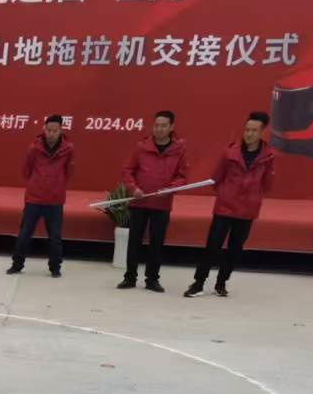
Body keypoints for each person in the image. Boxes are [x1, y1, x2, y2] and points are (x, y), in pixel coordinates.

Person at [186, 111, 276, 298]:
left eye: (254, 130)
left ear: (262, 132)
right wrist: (227, 192)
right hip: (225, 208)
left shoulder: (268, 156)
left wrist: (253, 195)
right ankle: (198, 283)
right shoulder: (230, 152)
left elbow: (267, 184)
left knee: (235, 250)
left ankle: (221, 283)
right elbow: (217, 177)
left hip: (247, 210)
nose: (249, 133)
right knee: (212, 247)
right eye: (247, 129)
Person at [118, 110, 190, 292]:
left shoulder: (179, 150)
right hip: (139, 202)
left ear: (171, 127)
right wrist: (133, 188)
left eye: (163, 126)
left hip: (162, 203)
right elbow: (127, 170)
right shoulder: (141, 147)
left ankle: (152, 280)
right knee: (134, 242)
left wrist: (170, 189)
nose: (159, 129)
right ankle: (130, 277)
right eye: (156, 125)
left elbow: (182, 176)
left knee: (156, 243)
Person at [9, 115, 73, 278]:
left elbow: (69, 172)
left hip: (55, 200)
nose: (51, 133)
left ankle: (55, 268)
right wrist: (37, 183)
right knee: (24, 234)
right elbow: (27, 170)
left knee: (55, 237)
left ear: (61, 131)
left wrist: (56, 184)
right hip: (34, 198)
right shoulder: (34, 148)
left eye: (55, 131)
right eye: (48, 130)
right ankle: (17, 265)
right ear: (44, 129)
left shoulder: (68, 149)